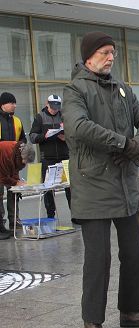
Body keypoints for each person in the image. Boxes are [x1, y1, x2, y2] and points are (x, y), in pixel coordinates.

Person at [62, 31, 139, 328]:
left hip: (124, 185)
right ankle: (92, 321)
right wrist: (123, 144)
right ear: (89, 56)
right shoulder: (75, 90)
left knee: (134, 251)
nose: (110, 57)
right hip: (93, 187)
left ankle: (131, 310)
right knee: (98, 258)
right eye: (105, 52)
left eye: (113, 53)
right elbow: (78, 127)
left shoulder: (122, 89)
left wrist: (137, 144)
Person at [29, 94, 71, 218]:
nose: (55, 109)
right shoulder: (39, 117)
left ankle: (75, 214)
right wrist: (44, 136)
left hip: (64, 156)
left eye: (57, 107)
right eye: (52, 107)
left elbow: (74, 134)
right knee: (48, 188)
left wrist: (66, 138)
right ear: (47, 104)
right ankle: (50, 215)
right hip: (47, 157)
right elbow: (32, 137)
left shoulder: (63, 116)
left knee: (70, 187)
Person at [0, 92, 27, 236]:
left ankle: (14, 221)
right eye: (12, 103)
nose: (15, 105)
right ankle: (0, 226)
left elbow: (23, 140)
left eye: (15, 103)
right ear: (3, 104)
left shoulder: (17, 120)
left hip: (13, 164)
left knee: (15, 192)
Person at [0, 141, 35, 239]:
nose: (25, 163)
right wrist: (15, 182)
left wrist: (17, 181)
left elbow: (14, 171)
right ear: (22, 155)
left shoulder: (18, 155)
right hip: (1, 166)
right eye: (25, 160)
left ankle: (3, 228)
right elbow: (2, 176)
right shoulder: (8, 153)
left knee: (12, 191)